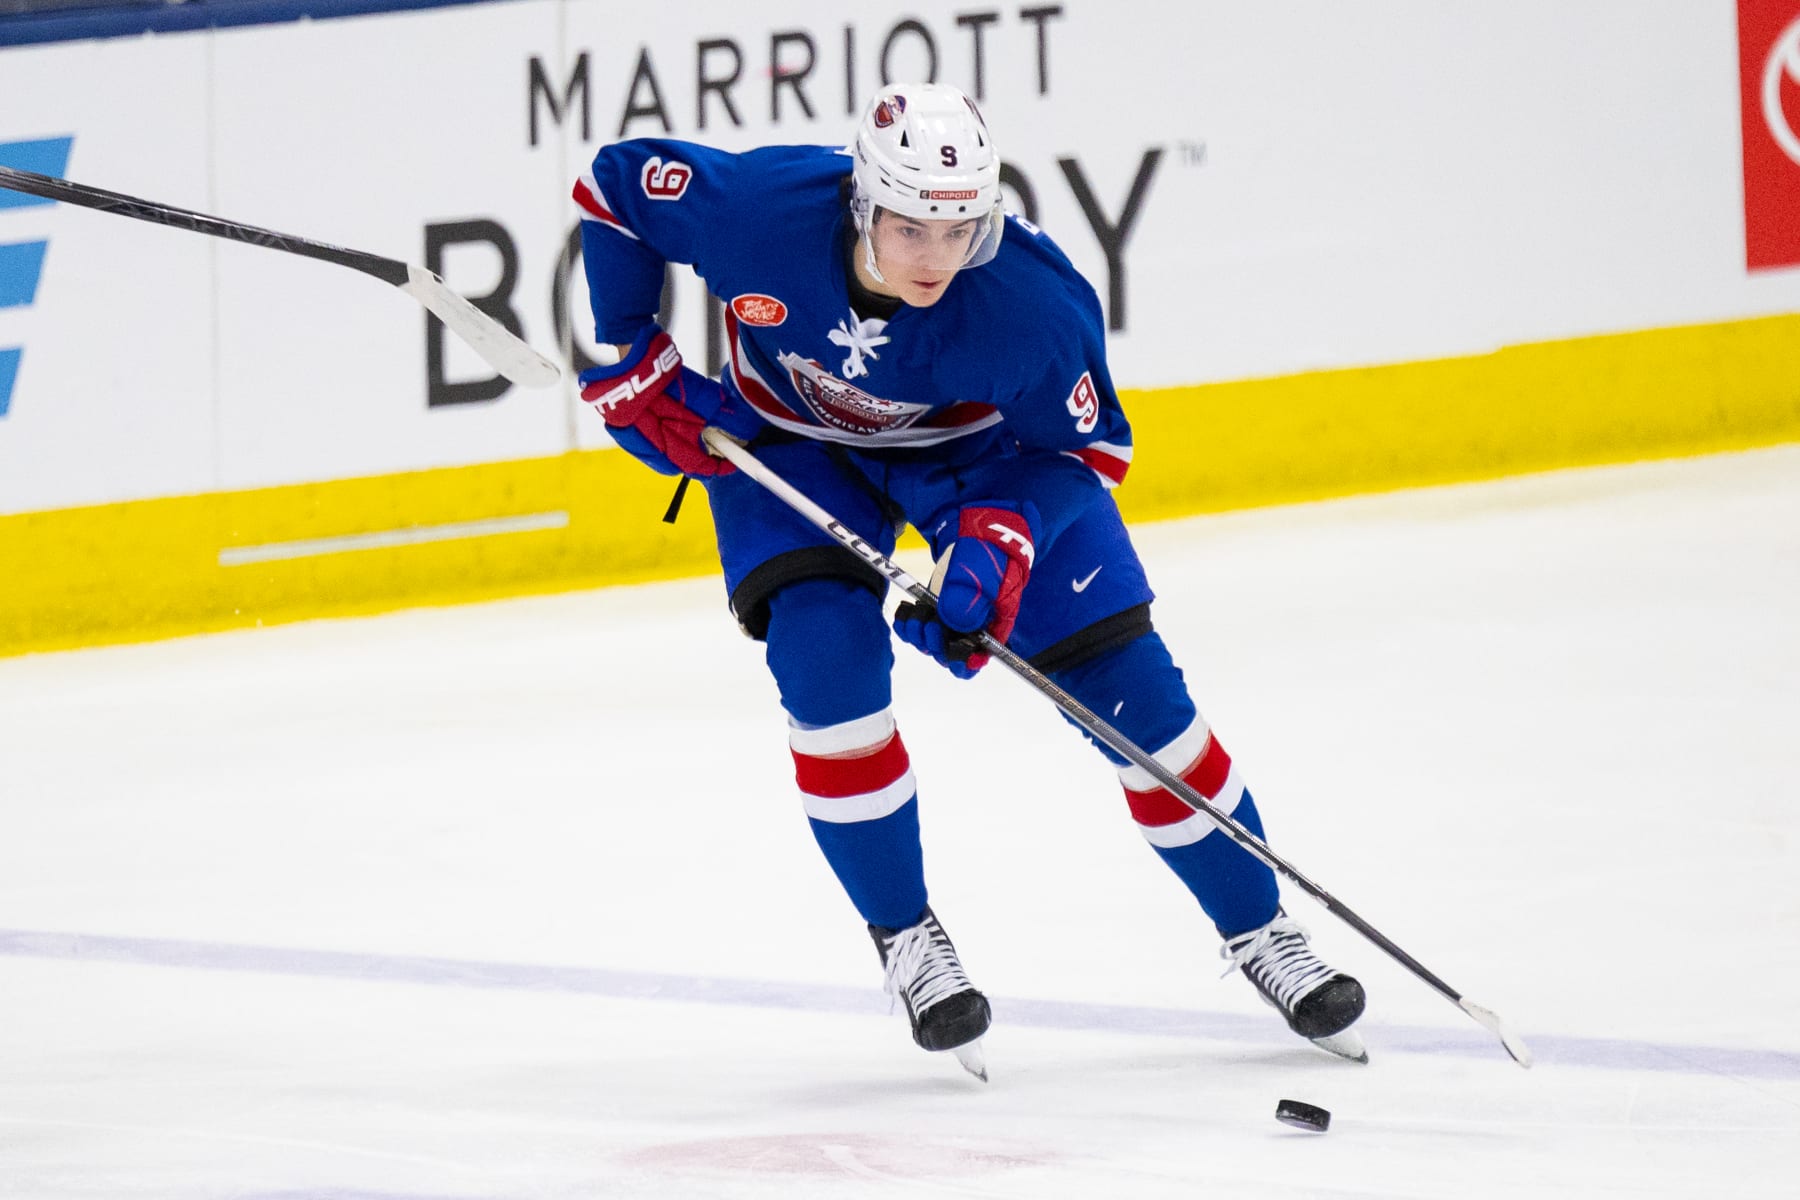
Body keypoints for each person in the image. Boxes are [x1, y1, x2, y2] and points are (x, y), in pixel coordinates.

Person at [572, 82, 1367, 1078]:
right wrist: (635, 349)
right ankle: (907, 938)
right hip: (789, 444)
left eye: (958, 229)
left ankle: (1262, 930)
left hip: (983, 463)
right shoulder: (760, 210)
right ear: (861, 201)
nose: (936, 259)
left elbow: (1085, 454)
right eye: (910, 229)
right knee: (829, 672)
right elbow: (612, 190)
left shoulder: (1030, 300)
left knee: (1137, 699)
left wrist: (998, 541)